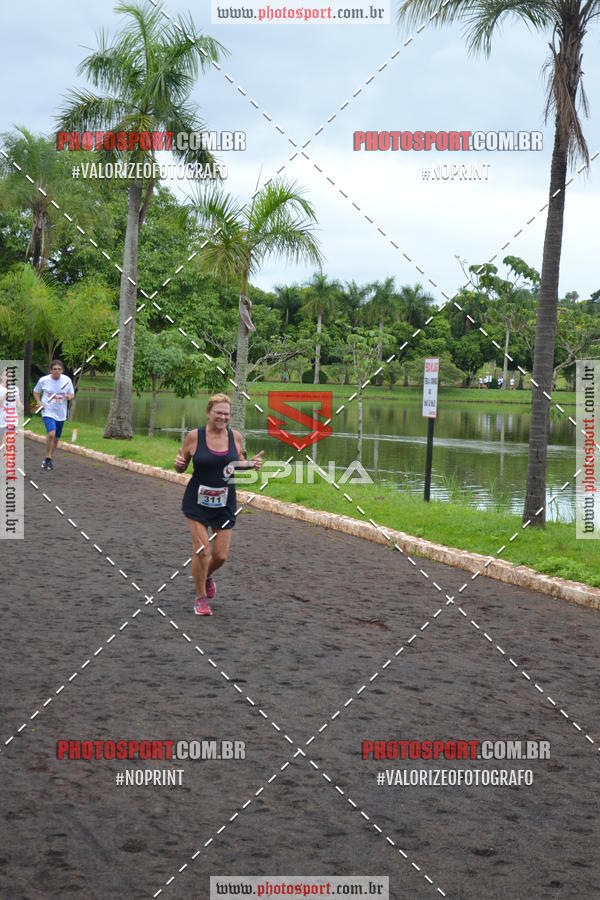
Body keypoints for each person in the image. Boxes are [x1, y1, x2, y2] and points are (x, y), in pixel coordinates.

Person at [174, 394, 264, 616]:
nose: (223, 417)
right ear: (208, 413)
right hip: (197, 501)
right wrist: (178, 465)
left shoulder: (235, 437)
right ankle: (200, 598)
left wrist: (252, 464)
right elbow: (182, 466)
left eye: (226, 414)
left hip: (224, 501)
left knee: (221, 556)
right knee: (202, 551)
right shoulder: (195, 437)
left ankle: (205, 577)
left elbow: (238, 464)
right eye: (218, 413)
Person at [33, 360, 75, 470]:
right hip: (48, 411)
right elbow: (36, 391)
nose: (57, 371)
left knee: (56, 438)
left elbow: (72, 394)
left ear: (62, 370)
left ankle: (49, 458)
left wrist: (69, 397)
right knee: (51, 433)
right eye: (55, 369)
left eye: (59, 369)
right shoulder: (44, 380)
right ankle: (47, 456)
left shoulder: (66, 380)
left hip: (61, 412)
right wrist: (39, 402)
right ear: (51, 370)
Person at [0, 367, 23, 442]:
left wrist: (22, 407)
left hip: (12, 418)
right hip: (1, 419)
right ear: (1, 377)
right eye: (6, 375)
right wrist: (6, 395)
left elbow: (18, 402)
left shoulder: (15, 388)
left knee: (9, 441)